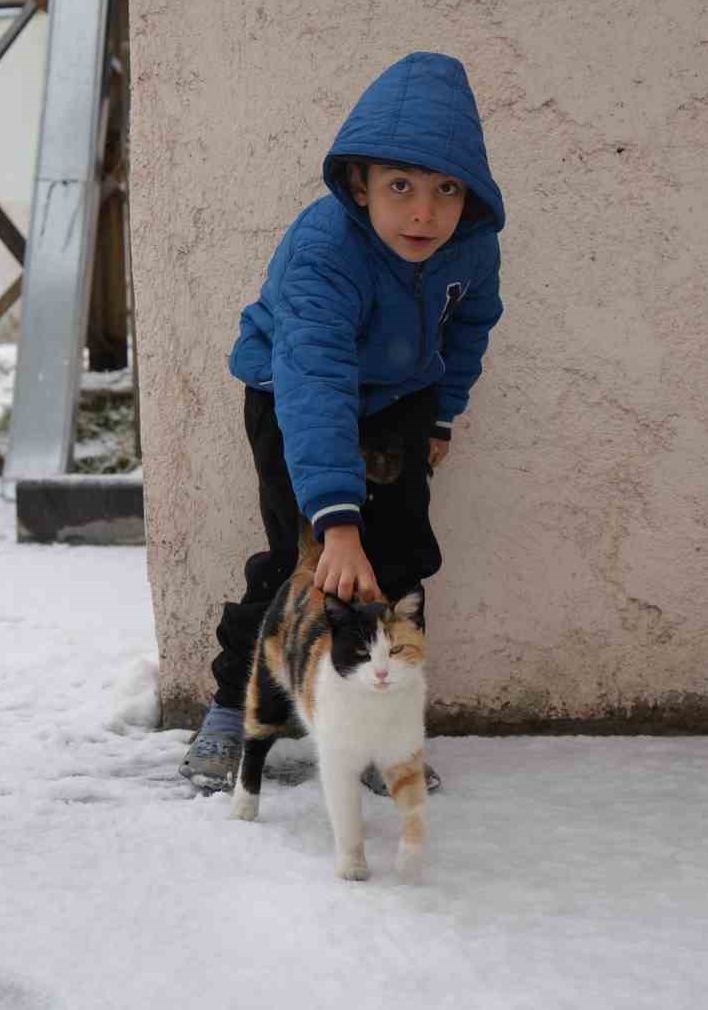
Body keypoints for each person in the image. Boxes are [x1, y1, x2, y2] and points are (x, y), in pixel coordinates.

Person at [180, 51, 507, 792]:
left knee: (397, 569)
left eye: (445, 189)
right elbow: (315, 376)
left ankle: (375, 731)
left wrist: (443, 415)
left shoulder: (473, 248)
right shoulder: (325, 249)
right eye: (400, 186)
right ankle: (233, 709)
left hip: (399, 401)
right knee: (303, 567)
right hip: (292, 393)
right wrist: (336, 520)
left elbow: (469, 328)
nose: (423, 212)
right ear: (359, 183)